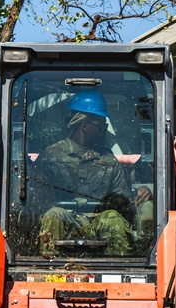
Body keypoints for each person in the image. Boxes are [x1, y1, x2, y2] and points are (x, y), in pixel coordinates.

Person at [36, 91, 134, 257]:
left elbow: (121, 199)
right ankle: (48, 265)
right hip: (64, 220)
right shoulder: (50, 156)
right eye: (101, 126)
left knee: (112, 218)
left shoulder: (109, 160)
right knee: (54, 214)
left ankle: (118, 269)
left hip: (99, 221)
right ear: (84, 126)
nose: (105, 130)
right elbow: (36, 200)